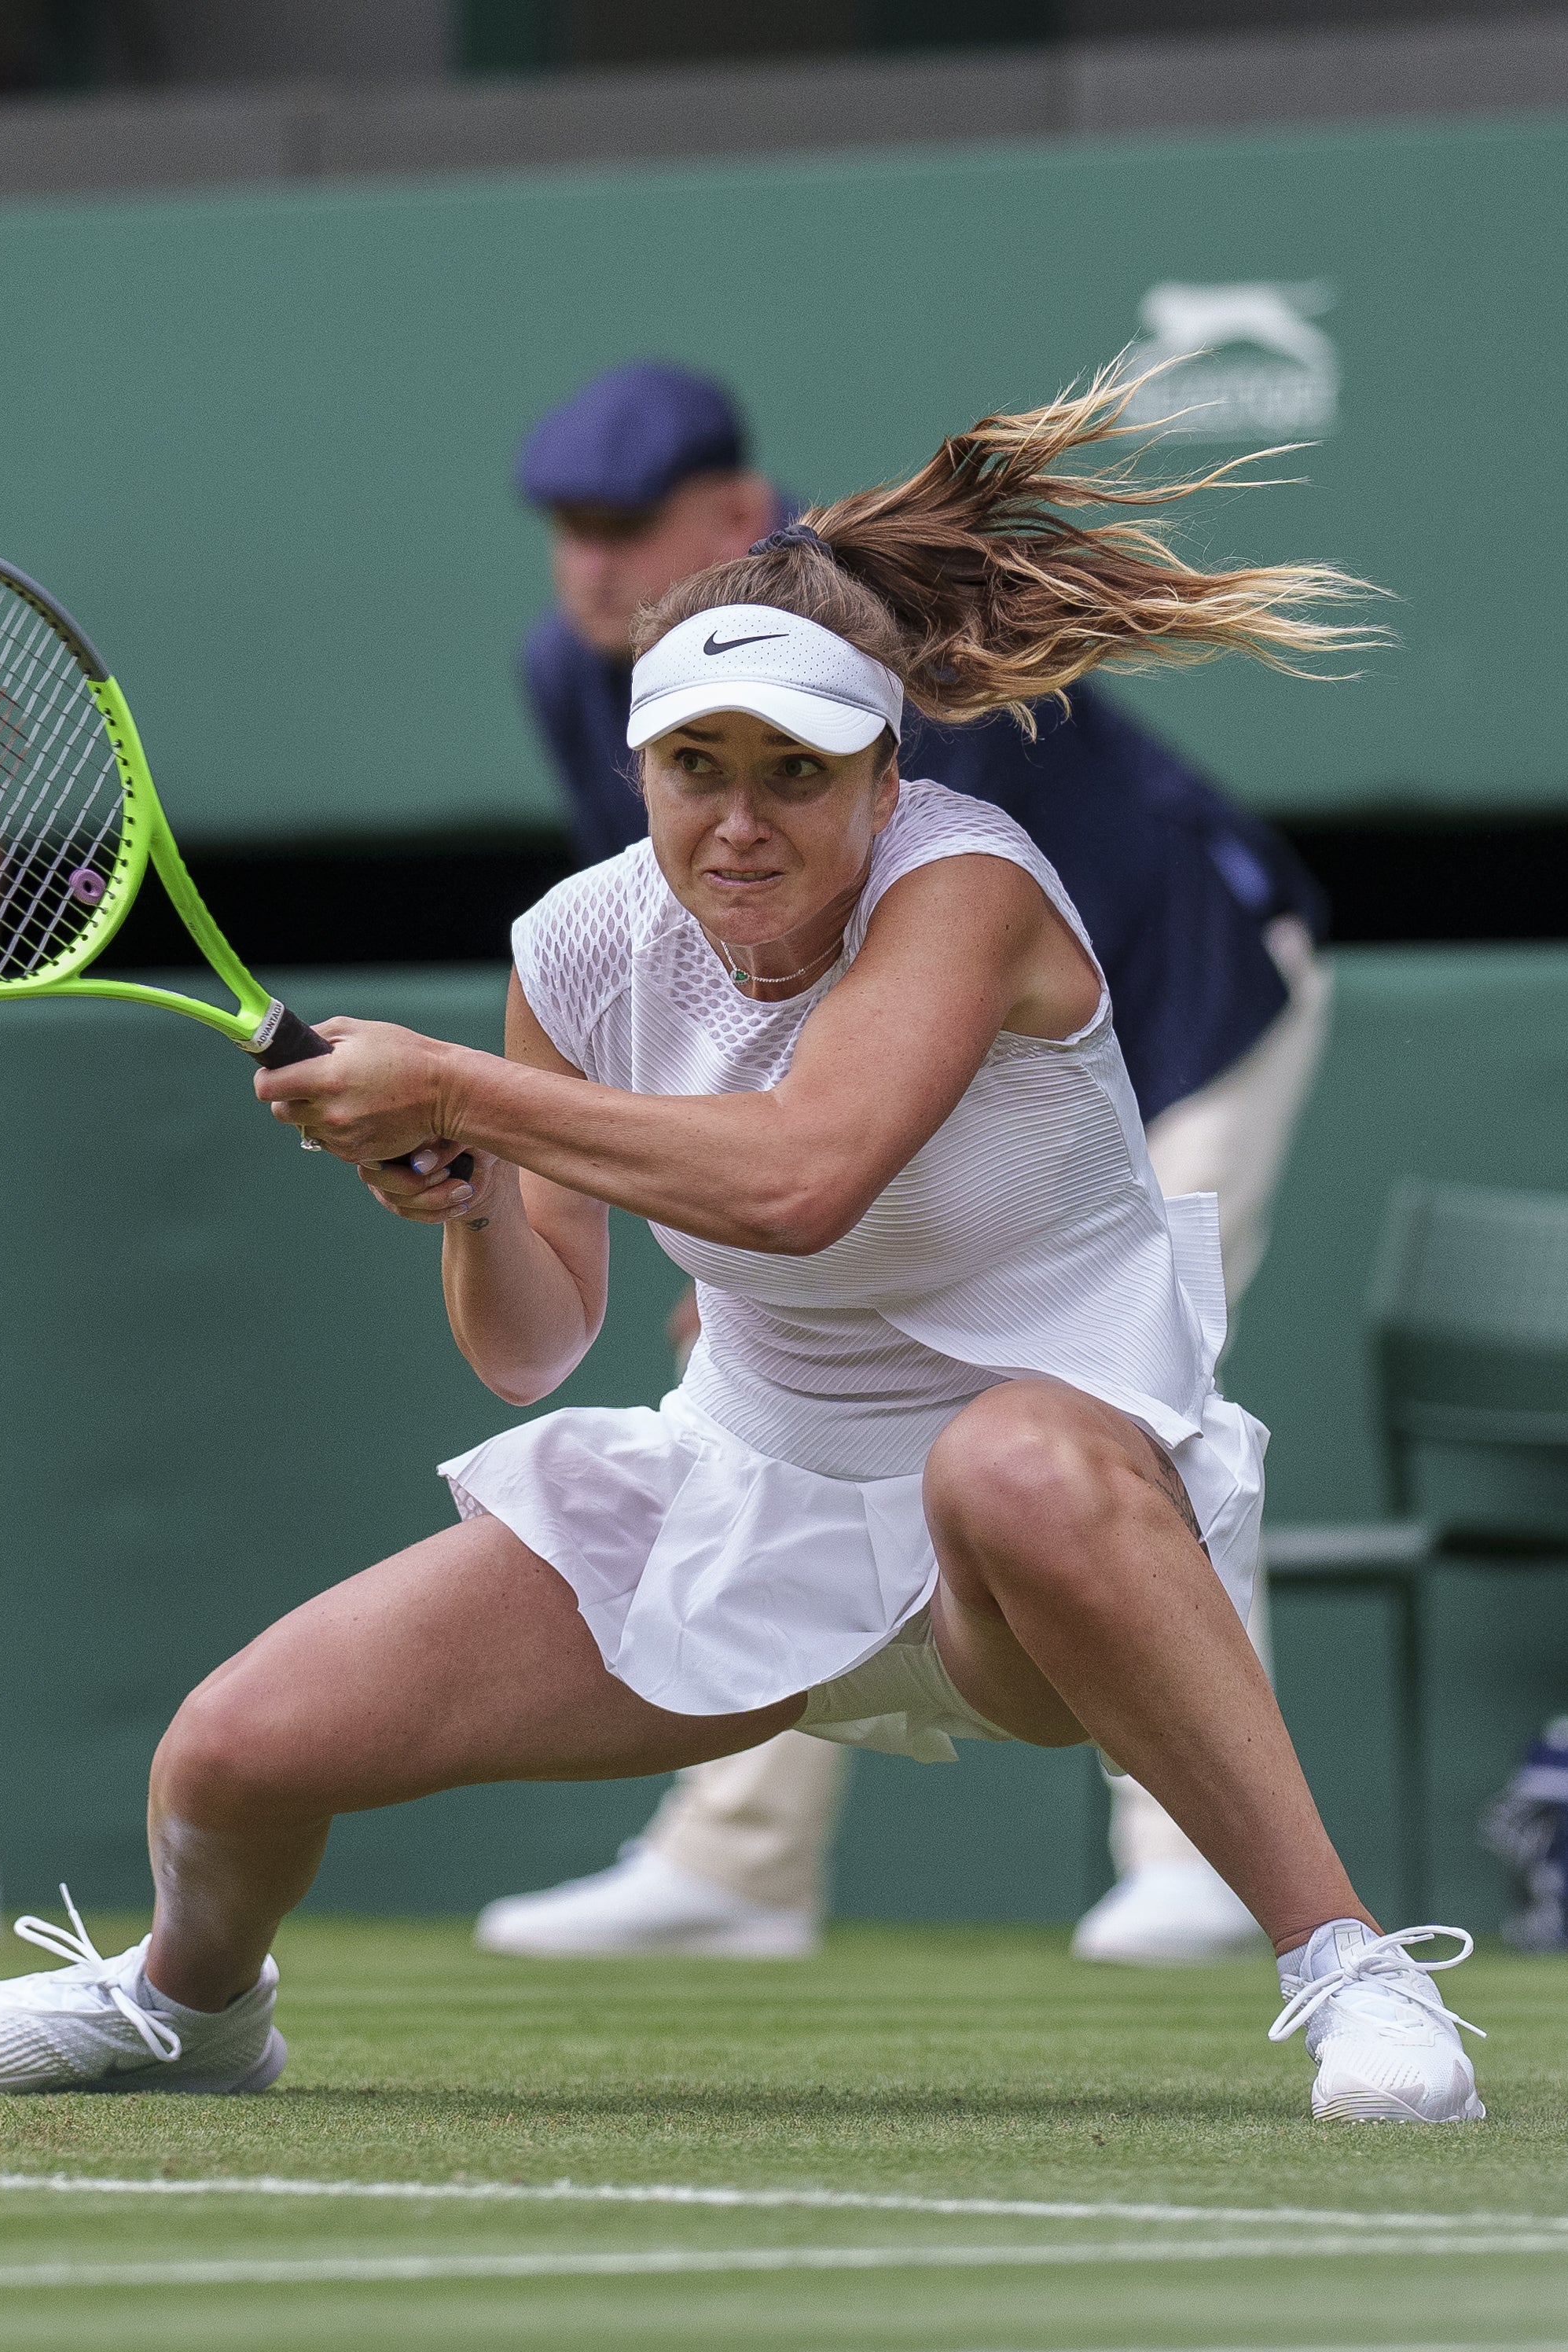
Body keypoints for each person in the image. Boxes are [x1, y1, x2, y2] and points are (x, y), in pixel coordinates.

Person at [0, 377, 1485, 2123]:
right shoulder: (574, 945)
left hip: (1031, 1544)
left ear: (882, 775)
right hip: (748, 1508)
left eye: (797, 772)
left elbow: (799, 1182)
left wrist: (460, 1086)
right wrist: (473, 1188)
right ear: (634, 761)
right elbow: (533, 1346)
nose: (738, 820)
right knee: (231, 1750)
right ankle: (187, 2000)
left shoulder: (970, 886)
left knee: (1010, 1451)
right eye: (693, 767)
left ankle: (1350, 1965)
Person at [478, 362, 1334, 1968]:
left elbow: (927, 1011)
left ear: (733, 517)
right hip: (899, 1069)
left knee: (1136, 1409)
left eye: (626, 527)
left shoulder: (887, 682)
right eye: (566, 530)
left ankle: (1197, 1853)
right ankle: (736, 1868)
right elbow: (711, 968)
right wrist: (763, 1236)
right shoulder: (576, 668)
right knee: (804, 1416)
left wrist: (789, 1214)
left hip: (1181, 1007)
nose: (591, 565)